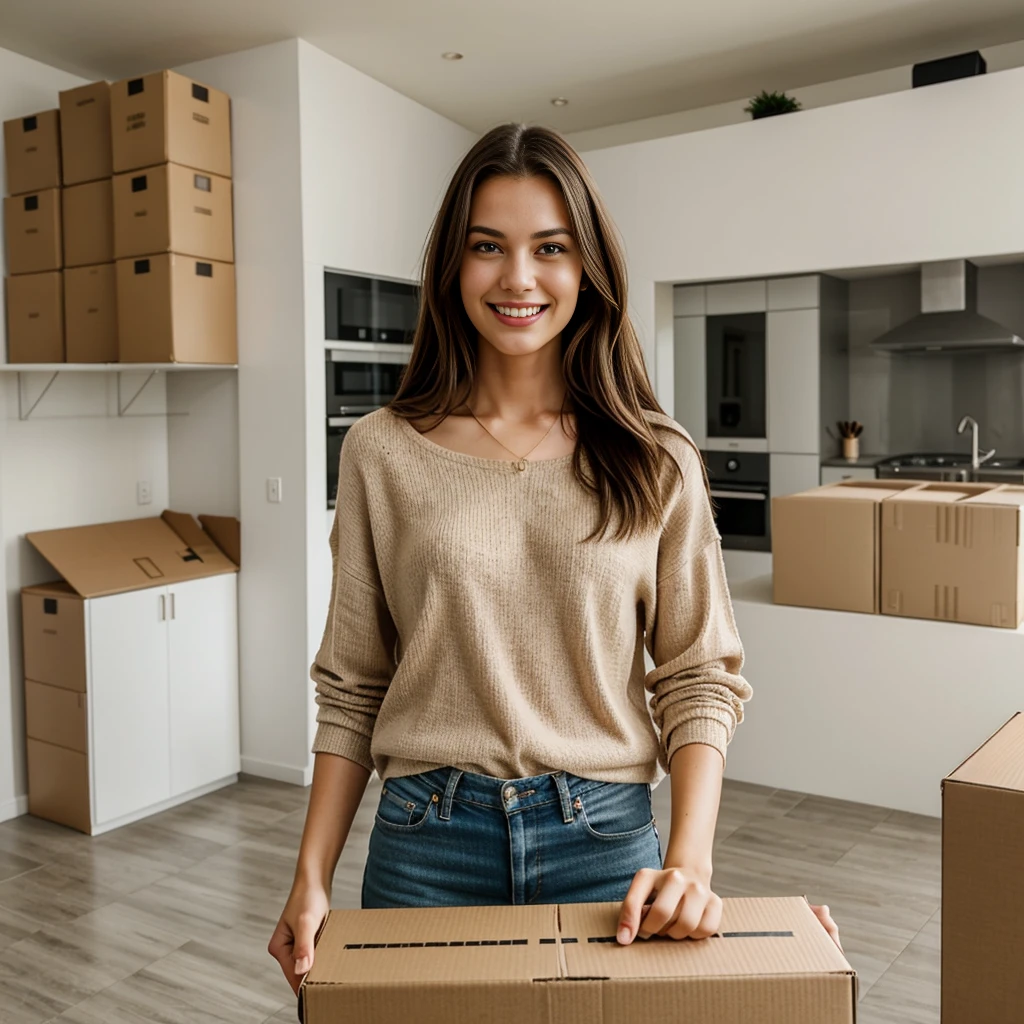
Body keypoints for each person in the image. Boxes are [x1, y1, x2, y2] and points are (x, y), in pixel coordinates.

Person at [268, 123, 841, 993]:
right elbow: (353, 682)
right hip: (426, 844)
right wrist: (310, 874)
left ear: (588, 270)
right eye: (487, 247)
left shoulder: (656, 455)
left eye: (550, 248)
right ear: (452, 269)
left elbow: (698, 676)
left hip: (607, 845)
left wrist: (689, 861)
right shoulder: (382, 452)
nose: (518, 278)